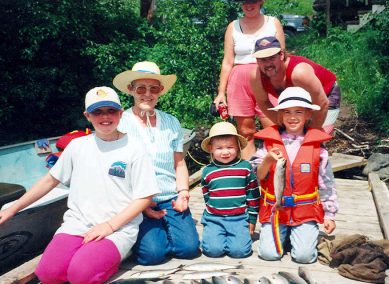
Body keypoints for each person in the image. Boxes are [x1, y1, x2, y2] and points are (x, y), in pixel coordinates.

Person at [0, 86, 159, 283]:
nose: (105, 117)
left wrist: (109, 226)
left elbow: (145, 197)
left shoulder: (135, 148)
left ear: (120, 113)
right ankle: (92, 256)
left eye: (111, 111)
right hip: (77, 225)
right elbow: (49, 180)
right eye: (97, 112)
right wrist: (12, 209)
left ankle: (112, 257)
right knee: (49, 275)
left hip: (117, 228)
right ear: (87, 116)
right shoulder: (77, 146)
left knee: (81, 275)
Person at [113, 61, 200, 265]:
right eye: (141, 88)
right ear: (130, 90)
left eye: (154, 88)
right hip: (137, 200)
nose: (147, 94)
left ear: (160, 91)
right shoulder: (121, 123)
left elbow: (179, 163)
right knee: (151, 256)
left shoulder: (172, 122)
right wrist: (140, 206)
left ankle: (165, 230)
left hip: (170, 196)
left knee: (189, 249)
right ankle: (156, 236)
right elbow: (117, 171)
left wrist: (183, 194)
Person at [250, 87, 338, 263]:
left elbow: (327, 185)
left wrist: (329, 215)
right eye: (287, 112)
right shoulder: (268, 145)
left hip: (304, 211)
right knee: (269, 254)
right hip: (276, 210)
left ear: (308, 115)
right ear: (280, 115)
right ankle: (288, 236)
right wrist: (267, 159)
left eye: (298, 111)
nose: (292, 117)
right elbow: (259, 175)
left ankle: (299, 235)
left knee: (304, 257)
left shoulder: (318, 149)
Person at [214, 0, 285, 160]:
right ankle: (251, 176)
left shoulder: (273, 23)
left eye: (253, 1)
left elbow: (282, 56)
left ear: (261, 2)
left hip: (266, 78)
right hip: (239, 82)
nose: (249, 5)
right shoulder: (233, 26)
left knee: (273, 128)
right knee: (246, 132)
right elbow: (227, 61)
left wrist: (283, 85)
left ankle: (277, 175)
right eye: (244, 2)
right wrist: (221, 93)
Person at [250, 36, 341, 134]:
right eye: (262, 60)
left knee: (318, 136)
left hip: (326, 95)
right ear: (257, 60)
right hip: (299, 100)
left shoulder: (299, 73)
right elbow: (264, 103)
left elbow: (322, 103)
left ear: (281, 55)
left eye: (271, 58)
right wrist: (284, 127)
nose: (267, 64)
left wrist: (311, 134)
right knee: (292, 136)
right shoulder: (256, 77)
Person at [199, 121, 260, 258]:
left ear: (238, 147)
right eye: (219, 148)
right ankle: (214, 233)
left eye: (230, 147)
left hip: (239, 218)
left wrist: (251, 221)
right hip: (214, 218)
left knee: (240, 252)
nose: (225, 152)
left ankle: (235, 237)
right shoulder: (207, 171)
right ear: (211, 149)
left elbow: (253, 196)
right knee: (212, 251)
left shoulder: (245, 167)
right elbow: (207, 196)